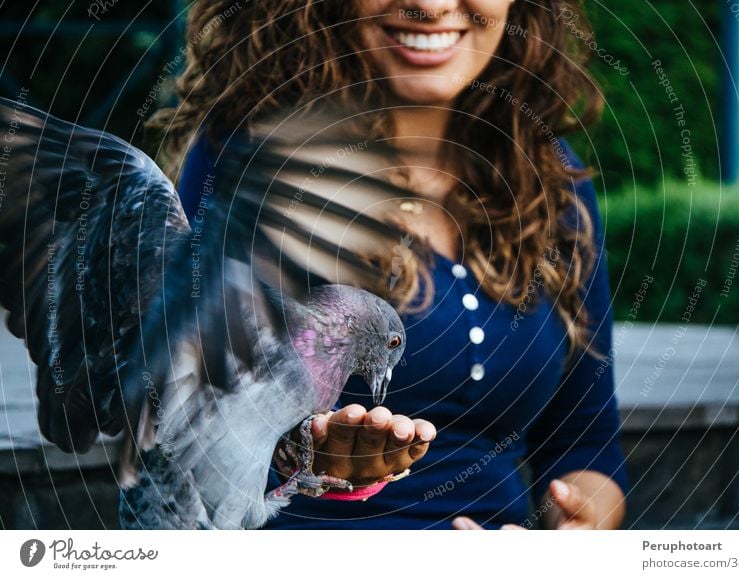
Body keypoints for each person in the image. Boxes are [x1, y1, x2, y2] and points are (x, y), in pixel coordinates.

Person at [152, 0, 628, 530]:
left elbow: (585, 444)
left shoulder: (546, 175)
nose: (432, 5)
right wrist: (299, 461)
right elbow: (180, 431)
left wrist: (577, 532)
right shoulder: (251, 161)